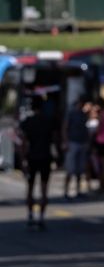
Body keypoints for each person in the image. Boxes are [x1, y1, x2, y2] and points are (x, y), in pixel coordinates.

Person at [18, 95, 57, 229]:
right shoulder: (48, 121)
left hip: (31, 158)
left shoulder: (28, 122)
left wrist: (23, 160)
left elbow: (23, 143)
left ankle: (30, 214)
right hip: (45, 157)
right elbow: (53, 140)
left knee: (30, 188)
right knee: (44, 188)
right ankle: (41, 217)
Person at [62, 95, 90, 199]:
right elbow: (65, 127)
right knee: (70, 169)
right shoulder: (71, 113)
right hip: (72, 142)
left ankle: (78, 190)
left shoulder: (83, 114)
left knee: (79, 169)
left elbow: (85, 129)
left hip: (82, 142)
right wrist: (66, 141)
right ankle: (66, 191)